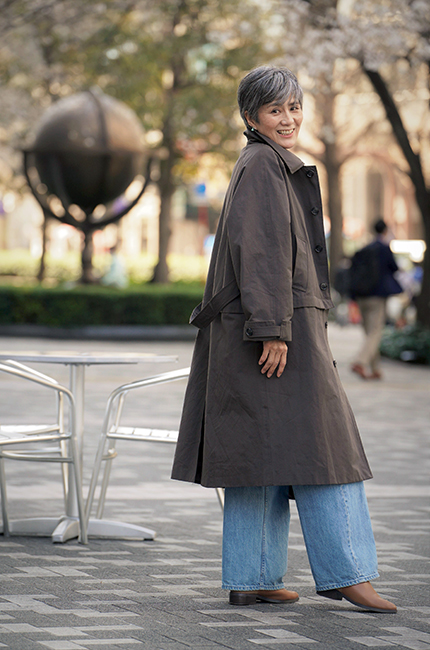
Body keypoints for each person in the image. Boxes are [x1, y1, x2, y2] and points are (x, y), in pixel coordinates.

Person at [171, 66, 397, 614]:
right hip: (276, 332)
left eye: (294, 107)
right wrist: (272, 329)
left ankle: (252, 576)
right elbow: (263, 252)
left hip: (262, 330)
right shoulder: (264, 167)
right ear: (252, 117)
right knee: (328, 450)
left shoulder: (263, 162)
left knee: (258, 454)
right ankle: (348, 573)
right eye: (276, 110)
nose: (289, 118)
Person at [350, 219, 403, 380]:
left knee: (369, 333)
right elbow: (394, 268)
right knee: (375, 332)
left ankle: (375, 369)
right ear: (385, 230)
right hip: (377, 297)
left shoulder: (364, 249)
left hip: (361, 296)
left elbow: (353, 271)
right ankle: (360, 362)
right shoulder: (384, 249)